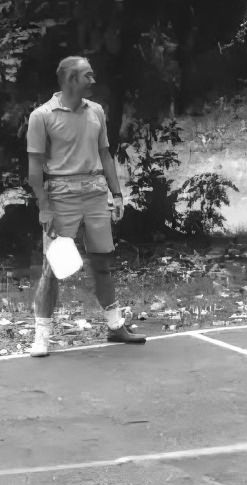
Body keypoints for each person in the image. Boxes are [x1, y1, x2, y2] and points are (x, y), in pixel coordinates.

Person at [26, 55, 146, 357]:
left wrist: (116, 195)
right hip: (61, 196)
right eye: (87, 76)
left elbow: (105, 155)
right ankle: (42, 336)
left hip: (94, 195)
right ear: (70, 80)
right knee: (53, 268)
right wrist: (44, 207)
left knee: (102, 263)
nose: (93, 81)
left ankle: (115, 326)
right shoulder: (41, 116)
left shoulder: (97, 111)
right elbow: (34, 169)